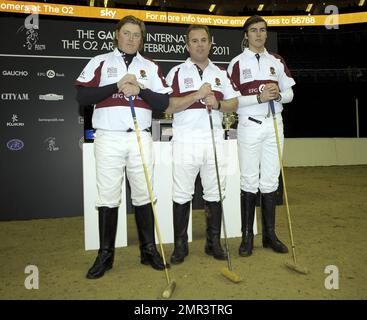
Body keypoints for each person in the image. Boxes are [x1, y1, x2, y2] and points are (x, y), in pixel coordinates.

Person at [75, 15, 172, 279]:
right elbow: (83, 95)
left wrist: (139, 89)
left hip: (139, 136)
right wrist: (117, 85)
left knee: (144, 195)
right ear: (117, 35)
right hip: (109, 137)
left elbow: (163, 103)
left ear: (142, 38)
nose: (131, 39)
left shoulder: (149, 66)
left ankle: (148, 250)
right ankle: (105, 256)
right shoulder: (100, 61)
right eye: (127, 33)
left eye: (136, 35)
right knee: (107, 196)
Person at [165, 25, 239, 264]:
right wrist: (196, 95)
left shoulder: (221, 73)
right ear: (187, 46)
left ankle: (213, 243)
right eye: (194, 41)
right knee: (181, 193)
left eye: (203, 40)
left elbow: (234, 103)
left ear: (210, 44)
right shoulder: (176, 71)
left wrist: (217, 104)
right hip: (186, 140)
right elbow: (168, 106)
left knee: (215, 192)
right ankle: (180, 246)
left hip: (215, 140)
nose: (199, 44)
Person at [227, 15, 295, 257]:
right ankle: (247, 237)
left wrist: (277, 95)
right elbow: (232, 101)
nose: (259, 34)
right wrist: (258, 97)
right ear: (246, 35)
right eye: (254, 30)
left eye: (263, 30)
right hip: (250, 125)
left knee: (270, 182)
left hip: (275, 125)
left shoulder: (276, 60)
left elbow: (290, 95)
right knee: (248, 181)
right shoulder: (236, 63)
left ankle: (269, 235)